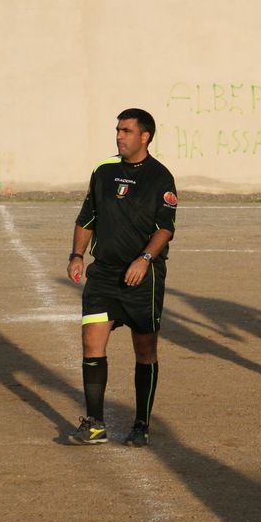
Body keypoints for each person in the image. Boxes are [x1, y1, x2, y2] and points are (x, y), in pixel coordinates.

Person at [67, 108, 178, 445]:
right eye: (118, 130)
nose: (119, 136)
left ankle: (141, 424)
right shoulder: (103, 171)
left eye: (126, 131)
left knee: (145, 351)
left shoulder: (160, 177)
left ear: (145, 136)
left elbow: (165, 229)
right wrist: (76, 255)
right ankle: (95, 424)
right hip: (103, 275)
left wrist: (144, 260)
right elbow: (87, 218)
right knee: (91, 342)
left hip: (143, 278)